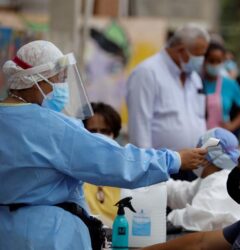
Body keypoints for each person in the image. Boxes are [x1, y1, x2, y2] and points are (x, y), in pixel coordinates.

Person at [0, 40, 207, 250]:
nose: (63, 86)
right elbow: (115, 162)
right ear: (37, 80)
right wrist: (174, 159)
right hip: (49, 236)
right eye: (59, 79)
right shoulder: (50, 126)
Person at [126, 23, 209, 181]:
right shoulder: (147, 73)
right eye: (198, 55)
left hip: (193, 167)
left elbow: (199, 117)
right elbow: (139, 128)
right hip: (162, 169)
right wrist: (149, 172)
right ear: (180, 49)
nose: (201, 61)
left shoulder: (194, 77)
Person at [167, 127, 240, 231]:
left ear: (203, 158)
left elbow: (194, 219)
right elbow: (182, 193)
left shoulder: (219, 183)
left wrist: (170, 217)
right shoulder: (218, 177)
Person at [82, 102, 122, 226]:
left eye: (105, 131)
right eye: (93, 131)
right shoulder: (71, 171)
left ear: (114, 135)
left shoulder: (125, 169)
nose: (100, 137)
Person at [202, 43, 240, 134]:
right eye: (211, 61)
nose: (215, 65)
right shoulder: (197, 82)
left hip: (221, 134)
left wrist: (232, 125)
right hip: (200, 132)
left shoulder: (229, 84)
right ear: (204, 61)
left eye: (218, 61)